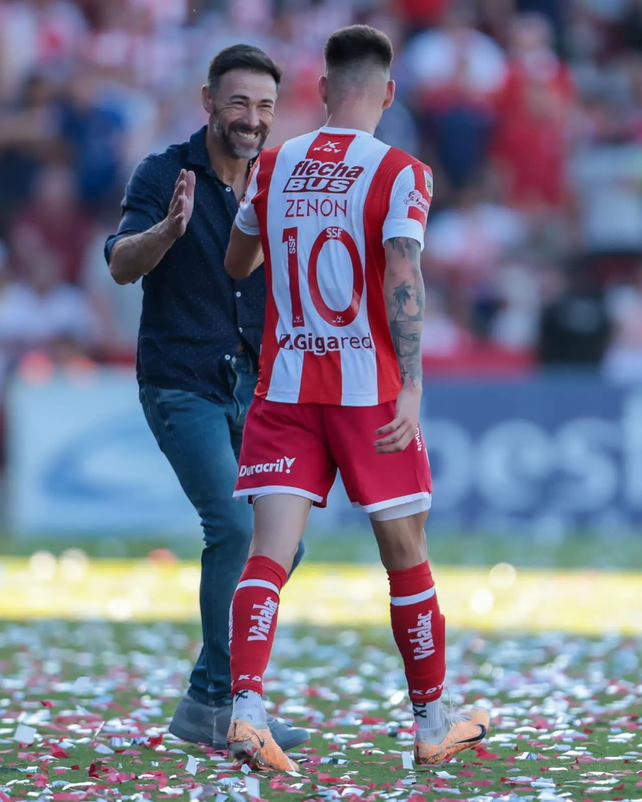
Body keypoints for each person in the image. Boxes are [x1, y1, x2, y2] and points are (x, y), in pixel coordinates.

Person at [223, 25, 490, 772]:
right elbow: (403, 271)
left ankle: (246, 711)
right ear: (389, 93)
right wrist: (413, 382)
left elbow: (238, 261)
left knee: (268, 555)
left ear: (321, 89)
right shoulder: (403, 172)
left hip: (286, 385)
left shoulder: (275, 162)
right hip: (367, 391)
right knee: (406, 554)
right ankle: (431, 723)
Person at [104, 45, 308, 752]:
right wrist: (167, 231)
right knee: (233, 527)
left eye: (265, 106)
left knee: (285, 541)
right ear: (209, 102)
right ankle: (223, 703)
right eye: (239, 102)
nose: (252, 118)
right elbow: (120, 264)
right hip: (181, 381)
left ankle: (207, 698)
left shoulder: (278, 178)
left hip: (256, 384)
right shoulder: (165, 173)